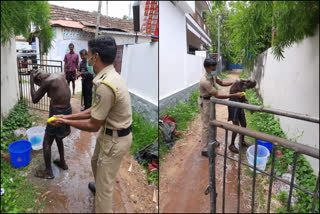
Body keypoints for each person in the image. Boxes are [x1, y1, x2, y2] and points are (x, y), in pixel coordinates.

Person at [50, 36, 132, 213]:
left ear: (95, 57)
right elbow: (95, 110)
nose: (87, 59)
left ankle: (102, 201)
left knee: (105, 188)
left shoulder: (106, 84)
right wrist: (67, 118)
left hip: (116, 139)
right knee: (95, 161)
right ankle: (99, 183)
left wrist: (67, 122)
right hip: (108, 134)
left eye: (89, 55)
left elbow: (94, 124)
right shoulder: (110, 75)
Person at [30, 69, 72, 179]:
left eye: (37, 84)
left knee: (46, 142)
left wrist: (30, 80)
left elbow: (34, 99)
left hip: (57, 112)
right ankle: (62, 163)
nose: (39, 86)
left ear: (39, 80)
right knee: (58, 138)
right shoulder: (59, 74)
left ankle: (48, 172)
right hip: (67, 109)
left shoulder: (47, 81)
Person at [198, 58, 244, 157]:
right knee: (206, 126)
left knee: (212, 122)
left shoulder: (212, 74)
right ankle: (204, 149)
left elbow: (222, 83)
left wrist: (233, 83)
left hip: (210, 101)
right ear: (207, 68)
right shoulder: (204, 81)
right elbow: (217, 95)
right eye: (213, 68)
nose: (215, 70)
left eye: (215, 68)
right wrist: (234, 95)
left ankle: (212, 140)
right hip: (204, 102)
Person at [228, 79, 256, 153]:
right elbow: (235, 96)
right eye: (250, 86)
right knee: (236, 126)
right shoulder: (237, 83)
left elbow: (243, 97)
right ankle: (231, 145)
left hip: (239, 106)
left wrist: (249, 105)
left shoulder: (244, 86)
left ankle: (241, 141)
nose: (249, 88)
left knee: (244, 124)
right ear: (247, 82)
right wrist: (245, 102)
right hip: (233, 105)